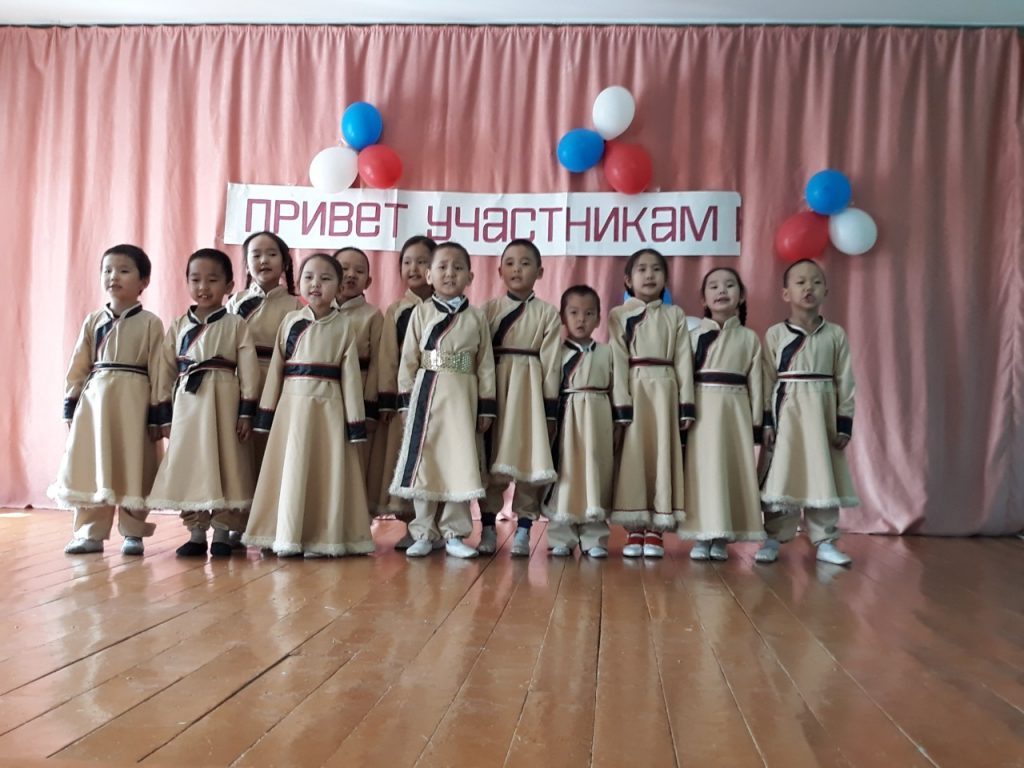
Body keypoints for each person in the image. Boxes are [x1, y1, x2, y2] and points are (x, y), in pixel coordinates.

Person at [242, 254, 374, 557]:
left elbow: (351, 377)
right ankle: (283, 534)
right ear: (299, 283)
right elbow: (276, 370)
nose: (316, 284)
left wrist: (355, 422)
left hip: (329, 410)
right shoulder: (290, 321)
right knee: (289, 469)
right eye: (309, 277)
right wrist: (266, 414)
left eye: (326, 279)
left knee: (323, 472)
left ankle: (321, 538)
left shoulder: (343, 326)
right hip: (291, 409)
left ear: (338, 286)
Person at [50, 244, 164, 555]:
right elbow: (78, 366)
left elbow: (159, 370)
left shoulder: (151, 323)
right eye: (108, 270)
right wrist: (71, 403)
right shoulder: (93, 321)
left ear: (143, 282)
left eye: (124, 271)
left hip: (135, 404)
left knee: (133, 464)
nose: (114, 276)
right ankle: (90, 532)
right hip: (96, 406)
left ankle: (133, 532)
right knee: (92, 465)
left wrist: (158, 413)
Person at [147, 248, 259, 558]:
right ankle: (196, 533)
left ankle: (222, 532)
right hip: (188, 405)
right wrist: (164, 414)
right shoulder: (178, 324)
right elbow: (165, 370)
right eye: (195, 279)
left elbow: (249, 370)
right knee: (190, 464)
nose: (203, 287)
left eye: (212, 280)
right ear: (186, 282)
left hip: (224, 402)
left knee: (226, 463)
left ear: (229, 286)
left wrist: (246, 412)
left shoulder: (236, 324)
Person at [389, 241, 496, 558]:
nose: (450, 273)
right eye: (442, 267)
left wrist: (486, 406)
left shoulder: (476, 317)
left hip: (463, 399)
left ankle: (454, 533)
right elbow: (408, 361)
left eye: (458, 268)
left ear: (470, 277)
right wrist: (406, 403)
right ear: (429, 275)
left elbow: (485, 365)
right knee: (426, 463)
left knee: (459, 463)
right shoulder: (420, 313)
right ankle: (423, 532)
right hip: (427, 397)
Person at [756, 258, 858, 566]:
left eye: (815, 281)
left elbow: (845, 381)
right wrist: (767, 420)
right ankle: (774, 536)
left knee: (822, 475)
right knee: (781, 476)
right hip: (786, 414)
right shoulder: (776, 334)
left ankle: (825, 539)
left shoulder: (835, 335)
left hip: (822, 417)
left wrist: (843, 423)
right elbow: (766, 379)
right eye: (799, 282)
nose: (808, 287)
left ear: (826, 291)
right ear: (786, 293)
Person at [609, 248, 695, 558]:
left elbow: (683, 359)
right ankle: (634, 525)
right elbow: (618, 359)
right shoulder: (619, 315)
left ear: (666, 279)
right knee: (634, 456)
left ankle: (657, 526)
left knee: (662, 454)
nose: (649, 275)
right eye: (642, 269)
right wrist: (621, 403)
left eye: (656, 269)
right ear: (628, 280)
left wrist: (686, 403)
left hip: (665, 391)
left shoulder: (675, 315)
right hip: (635, 388)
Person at [677, 267, 766, 561]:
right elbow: (683, 378)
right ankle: (701, 534)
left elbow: (757, 383)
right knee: (703, 472)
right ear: (703, 299)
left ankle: (723, 536)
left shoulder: (750, 339)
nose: (722, 290)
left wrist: (757, 422)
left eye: (729, 285)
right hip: (702, 412)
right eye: (713, 286)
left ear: (741, 296)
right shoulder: (692, 337)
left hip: (734, 413)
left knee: (729, 470)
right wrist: (684, 410)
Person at [479, 239, 560, 557]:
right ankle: (488, 527)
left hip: (529, 396)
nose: (517, 269)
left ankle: (524, 529)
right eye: (510, 263)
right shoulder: (488, 311)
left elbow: (552, 366)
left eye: (525, 263)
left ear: (540, 272)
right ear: (499, 271)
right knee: (491, 460)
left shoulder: (548, 313)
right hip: (496, 390)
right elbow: (480, 357)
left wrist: (549, 409)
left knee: (529, 461)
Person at [226, 231, 301, 546]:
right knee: (239, 455)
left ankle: (269, 524)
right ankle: (235, 522)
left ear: (285, 262)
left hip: (278, 383)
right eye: (255, 254)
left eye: (271, 254)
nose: (263, 260)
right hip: (239, 385)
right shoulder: (236, 303)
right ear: (246, 263)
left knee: (272, 454)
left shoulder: (296, 305)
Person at [543, 285, 621, 558]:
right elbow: (549, 388)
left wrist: (619, 423)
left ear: (599, 319)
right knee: (566, 474)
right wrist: (549, 420)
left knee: (595, 474)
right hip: (567, 419)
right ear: (563, 317)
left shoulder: (608, 352)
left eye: (589, 314)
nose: (581, 320)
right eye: (574, 313)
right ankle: (561, 535)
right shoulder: (556, 352)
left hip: (598, 420)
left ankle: (594, 537)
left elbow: (617, 388)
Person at [376, 235, 437, 548]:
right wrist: (389, 399)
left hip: (443, 395)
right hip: (407, 396)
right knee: (408, 458)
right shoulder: (398, 310)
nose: (413, 268)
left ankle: (439, 526)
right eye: (407, 262)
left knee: (438, 457)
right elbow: (389, 357)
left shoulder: (450, 307)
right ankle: (413, 525)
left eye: (422, 261)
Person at [331, 246, 385, 510]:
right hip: (325, 395)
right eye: (343, 269)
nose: (351, 275)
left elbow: (378, 364)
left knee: (355, 459)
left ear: (369, 281)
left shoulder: (373, 315)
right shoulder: (315, 312)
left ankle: (356, 518)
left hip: (359, 395)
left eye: (359, 271)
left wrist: (370, 407)